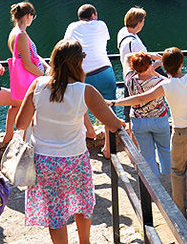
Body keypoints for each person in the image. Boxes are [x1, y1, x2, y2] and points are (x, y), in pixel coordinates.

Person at [15, 39, 124, 244]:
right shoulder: (86, 91)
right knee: (83, 202)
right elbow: (113, 123)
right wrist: (123, 125)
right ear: (79, 62)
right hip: (74, 160)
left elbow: (20, 124)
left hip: (44, 161)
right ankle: (85, 242)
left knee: (55, 213)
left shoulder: (38, 86)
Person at [111, 47, 187, 219]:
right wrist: (161, 59)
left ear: (164, 65)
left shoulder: (166, 85)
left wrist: (114, 102)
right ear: (182, 64)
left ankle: (179, 212)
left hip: (181, 132)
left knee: (177, 171)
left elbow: (140, 99)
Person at [64, 4, 115, 154]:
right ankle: (108, 148)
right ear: (93, 15)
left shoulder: (72, 27)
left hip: (83, 74)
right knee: (109, 110)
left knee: (79, 108)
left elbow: (66, 46)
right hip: (105, 71)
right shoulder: (102, 25)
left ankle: (89, 130)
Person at [123, 51, 171, 180]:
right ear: (149, 64)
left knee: (146, 154)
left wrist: (149, 57)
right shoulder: (161, 81)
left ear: (133, 67)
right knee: (165, 149)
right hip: (159, 119)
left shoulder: (129, 80)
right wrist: (155, 60)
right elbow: (173, 82)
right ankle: (172, 178)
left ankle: (153, 184)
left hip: (138, 122)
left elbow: (127, 56)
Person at [7, 1, 46, 145]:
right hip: (30, 81)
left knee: (27, 116)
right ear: (29, 15)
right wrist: (44, 76)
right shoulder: (21, 35)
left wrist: (45, 65)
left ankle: (26, 145)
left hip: (25, 79)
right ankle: (28, 150)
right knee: (31, 117)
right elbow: (27, 63)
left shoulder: (14, 33)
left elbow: (30, 55)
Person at [116, 6, 162, 75]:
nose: (143, 24)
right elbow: (145, 70)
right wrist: (159, 63)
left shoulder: (123, 31)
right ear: (138, 24)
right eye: (143, 22)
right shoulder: (135, 44)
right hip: (138, 78)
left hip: (127, 73)